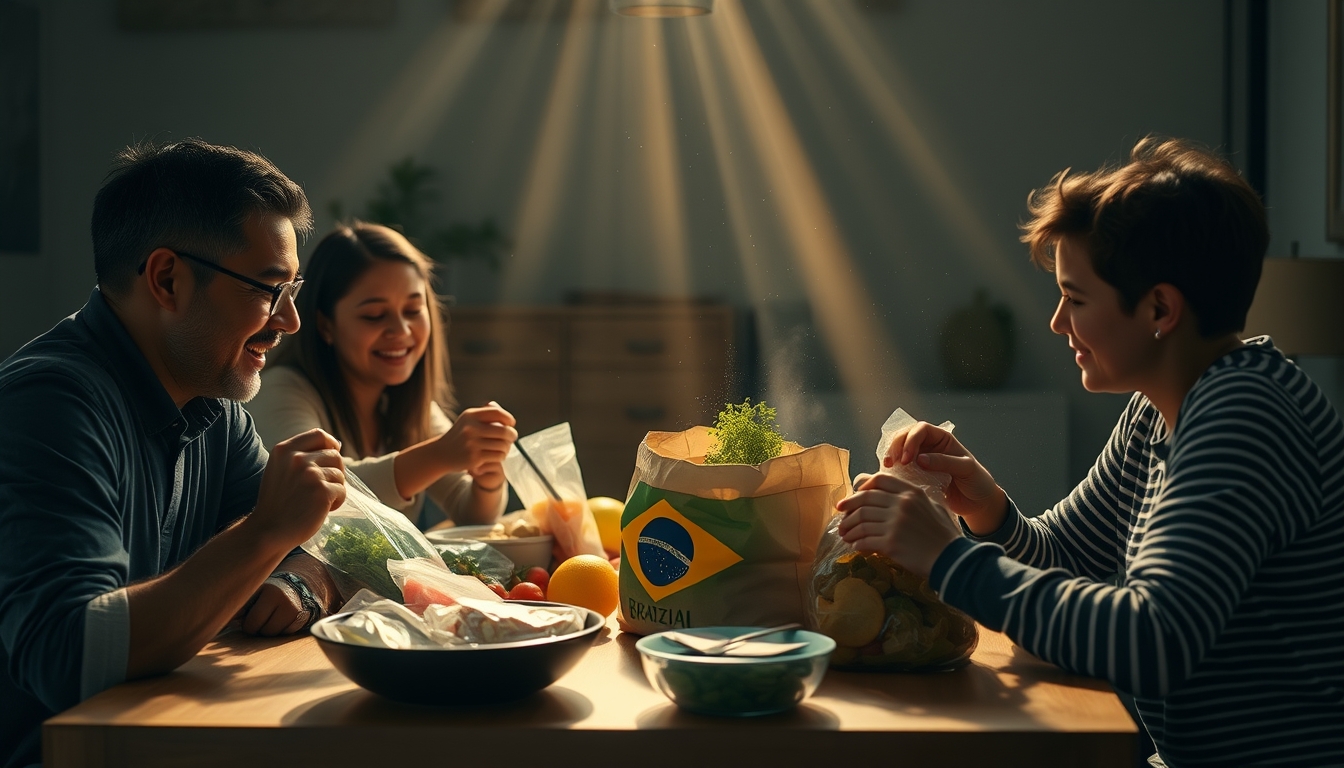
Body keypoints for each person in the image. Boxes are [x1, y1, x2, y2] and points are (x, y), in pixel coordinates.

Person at [836, 138, 1344, 767]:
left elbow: (1152, 639)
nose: (1056, 322)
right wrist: (990, 513)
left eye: (1075, 299)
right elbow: (1069, 559)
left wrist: (948, 559)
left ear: (1160, 308)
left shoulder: (1244, 416)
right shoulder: (1162, 406)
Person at [0, 139, 348, 768]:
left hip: (169, 734)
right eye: (269, 290)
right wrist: (266, 531)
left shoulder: (212, 404)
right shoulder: (48, 404)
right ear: (167, 279)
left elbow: (323, 548)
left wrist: (301, 579)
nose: (289, 320)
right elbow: (70, 656)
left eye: (293, 289)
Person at [246, 222, 516, 531]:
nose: (401, 331)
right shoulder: (282, 389)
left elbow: (472, 513)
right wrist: (440, 454)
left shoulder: (409, 406)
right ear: (325, 325)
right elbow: (318, 492)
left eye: (413, 310)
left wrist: (489, 477)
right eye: (374, 315)